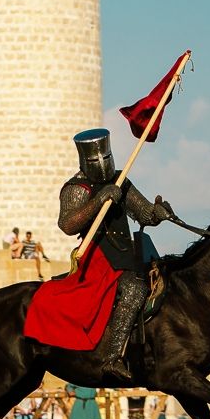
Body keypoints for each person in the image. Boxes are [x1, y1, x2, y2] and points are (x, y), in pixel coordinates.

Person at [57, 128, 173, 382]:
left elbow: (143, 214)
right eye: (96, 160)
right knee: (134, 289)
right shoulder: (77, 188)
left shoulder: (120, 181)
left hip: (125, 254)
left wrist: (157, 212)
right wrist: (98, 201)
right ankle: (112, 358)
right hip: (96, 256)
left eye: (105, 157)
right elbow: (67, 224)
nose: (101, 163)